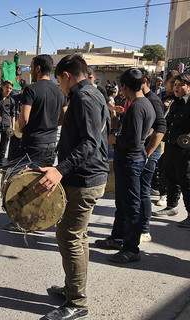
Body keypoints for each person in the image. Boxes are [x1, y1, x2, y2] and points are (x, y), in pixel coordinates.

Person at [35, 54, 109, 320]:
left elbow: (90, 143)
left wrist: (59, 169)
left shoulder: (83, 97)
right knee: (78, 236)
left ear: (66, 75)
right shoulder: (94, 92)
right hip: (85, 177)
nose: (60, 88)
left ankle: (77, 302)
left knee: (69, 236)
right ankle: (72, 289)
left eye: (59, 81)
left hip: (84, 180)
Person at [95, 68, 155, 263]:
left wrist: (114, 139)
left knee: (131, 206)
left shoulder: (138, 106)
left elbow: (134, 141)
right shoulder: (144, 103)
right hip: (130, 159)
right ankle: (118, 238)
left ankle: (131, 249)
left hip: (131, 160)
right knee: (123, 203)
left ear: (125, 87)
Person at [152, 72, 190, 228]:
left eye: (181, 85)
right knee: (170, 176)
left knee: (186, 180)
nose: (176, 88)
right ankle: (171, 206)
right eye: (175, 85)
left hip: (185, 150)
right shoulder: (174, 102)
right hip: (170, 146)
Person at [18, 54, 67, 168]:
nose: (30, 71)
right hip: (51, 144)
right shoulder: (60, 90)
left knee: (27, 180)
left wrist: (20, 128)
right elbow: (65, 115)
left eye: (31, 68)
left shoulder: (30, 89)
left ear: (38, 69)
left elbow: (24, 118)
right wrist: (53, 123)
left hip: (32, 144)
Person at [137, 68, 166, 242]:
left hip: (149, 153)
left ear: (145, 81)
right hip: (141, 152)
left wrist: (148, 152)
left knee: (143, 192)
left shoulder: (152, 101)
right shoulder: (141, 99)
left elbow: (161, 128)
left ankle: (145, 230)